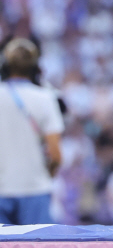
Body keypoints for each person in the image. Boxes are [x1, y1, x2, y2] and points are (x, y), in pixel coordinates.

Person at [0, 38, 64, 225]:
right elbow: (55, 154)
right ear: (36, 67)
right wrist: (48, 174)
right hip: (34, 189)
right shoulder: (46, 98)